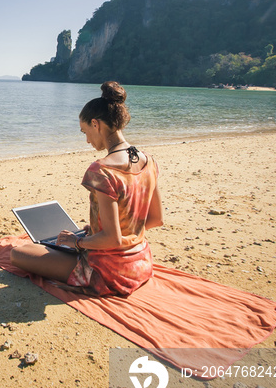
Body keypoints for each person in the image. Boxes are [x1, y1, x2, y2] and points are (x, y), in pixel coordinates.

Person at [10, 81, 163, 296]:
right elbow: (156, 220)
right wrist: (98, 233)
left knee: (19, 253)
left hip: (110, 271)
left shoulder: (102, 170)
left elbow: (113, 239)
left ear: (96, 124)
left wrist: (78, 242)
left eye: (85, 132)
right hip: (141, 264)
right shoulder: (149, 162)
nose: (87, 140)